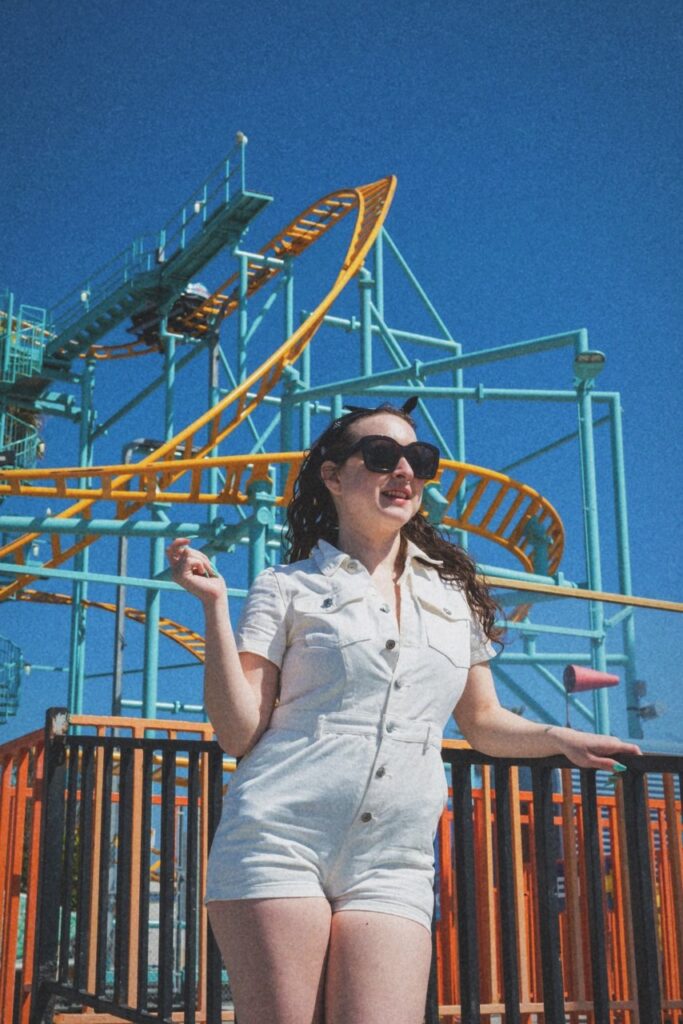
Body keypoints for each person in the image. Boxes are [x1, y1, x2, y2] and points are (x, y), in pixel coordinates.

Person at [167, 402, 641, 1024]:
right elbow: (239, 730)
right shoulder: (286, 587)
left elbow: (483, 722)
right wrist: (213, 608)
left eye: (419, 460)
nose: (404, 472)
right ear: (333, 477)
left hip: (394, 858)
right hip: (277, 838)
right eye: (382, 456)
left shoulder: (452, 597)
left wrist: (560, 736)